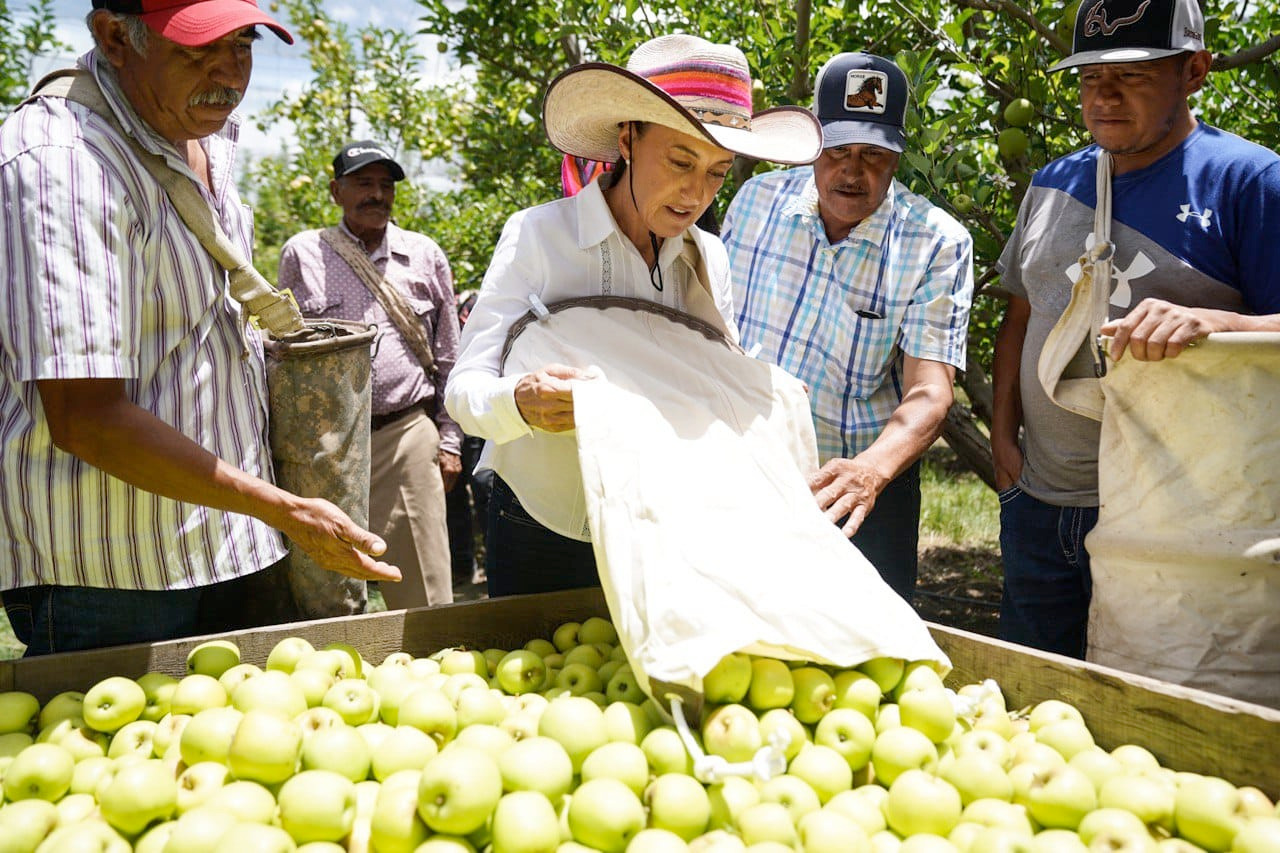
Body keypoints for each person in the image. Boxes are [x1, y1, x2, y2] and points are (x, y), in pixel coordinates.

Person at [0, 0, 399, 656]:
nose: (228, 72)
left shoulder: (201, 132)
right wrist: (283, 508)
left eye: (242, 44)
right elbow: (85, 417)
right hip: (114, 573)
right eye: (195, 48)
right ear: (114, 38)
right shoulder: (64, 163)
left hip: (225, 544)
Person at [445, 33, 822, 597]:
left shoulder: (707, 259)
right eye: (679, 160)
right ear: (627, 138)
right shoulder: (539, 237)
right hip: (542, 525)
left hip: (662, 530)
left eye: (718, 172)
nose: (696, 193)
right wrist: (521, 401)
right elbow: (463, 391)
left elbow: (708, 383)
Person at [991, 0, 1280, 658]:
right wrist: (1004, 445)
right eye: (1092, 79)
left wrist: (1223, 321)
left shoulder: (1247, 182)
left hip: (1174, 517)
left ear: (1196, 71)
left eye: (1134, 76)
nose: (1106, 96)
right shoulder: (1053, 182)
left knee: (1152, 712)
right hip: (1039, 500)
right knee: (1033, 700)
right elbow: (1021, 314)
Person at [721, 52, 974, 602]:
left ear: (898, 158)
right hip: (745, 471)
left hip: (862, 489)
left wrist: (868, 474)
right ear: (812, 145)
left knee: (863, 651)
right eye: (836, 150)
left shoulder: (936, 242)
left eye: (874, 155)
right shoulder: (755, 201)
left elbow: (931, 392)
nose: (852, 171)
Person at [278, 141, 463, 610]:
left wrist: (449, 439)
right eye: (364, 184)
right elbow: (282, 352)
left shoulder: (423, 255)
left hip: (405, 434)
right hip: (328, 442)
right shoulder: (305, 253)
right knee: (325, 580)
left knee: (424, 583)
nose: (377, 195)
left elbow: (449, 354)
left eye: (386, 185)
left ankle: (435, 663)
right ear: (336, 191)